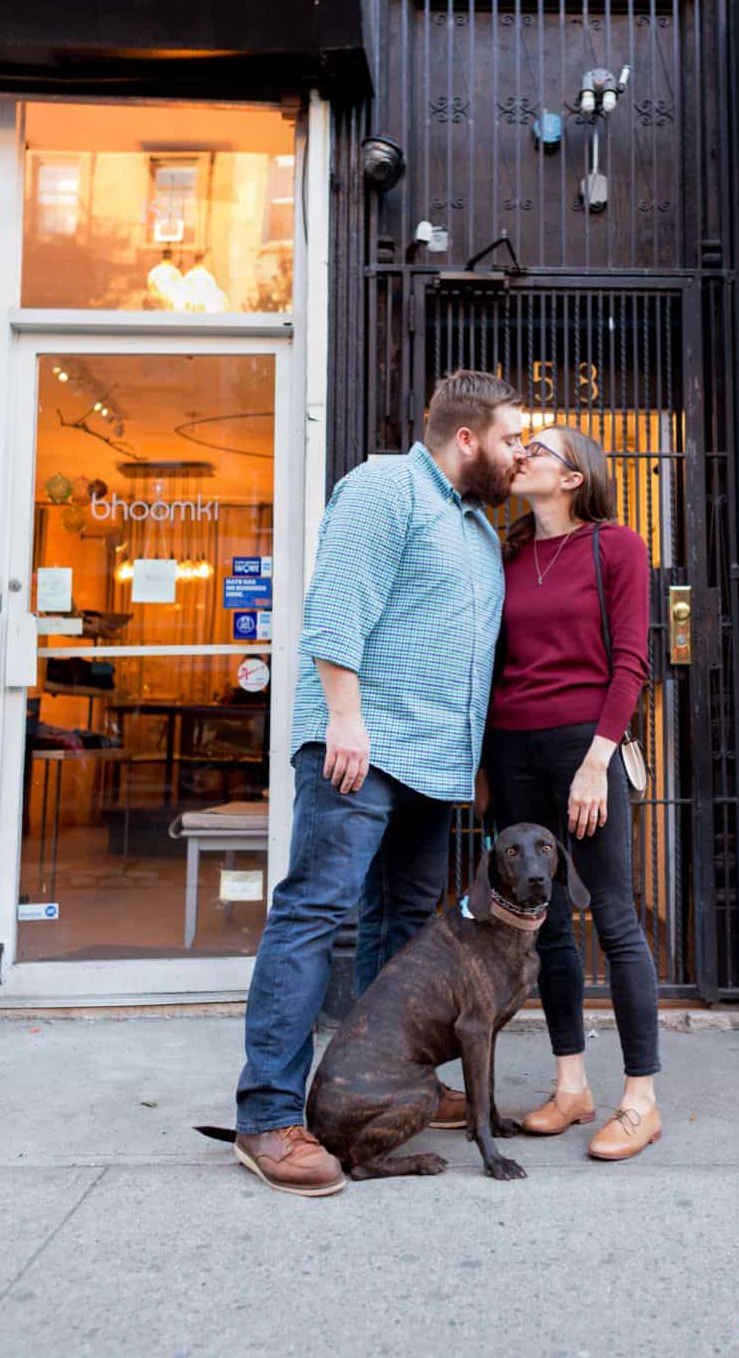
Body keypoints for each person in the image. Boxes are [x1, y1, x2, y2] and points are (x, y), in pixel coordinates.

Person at [234, 370, 525, 1196]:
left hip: (432, 763)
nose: (517, 455)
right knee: (314, 914)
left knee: (403, 925)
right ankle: (268, 1118)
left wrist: (465, 759)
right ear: (465, 438)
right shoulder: (383, 487)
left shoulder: (474, 528)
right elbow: (336, 609)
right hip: (359, 748)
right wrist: (344, 718)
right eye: (509, 440)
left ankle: (377, 1089)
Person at [477, 424, 662, 1161]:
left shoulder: (617, 546)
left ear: (575, 476)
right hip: (513, 746)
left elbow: (632, 661)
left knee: (613, 915)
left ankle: (641, 1100)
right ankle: (571, 1086)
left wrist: (597, 761)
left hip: (584, 743)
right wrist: (486, 764)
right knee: (541, 921)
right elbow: (495, 663)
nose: (521, 457)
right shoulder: (509, 552)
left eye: (538, 450)